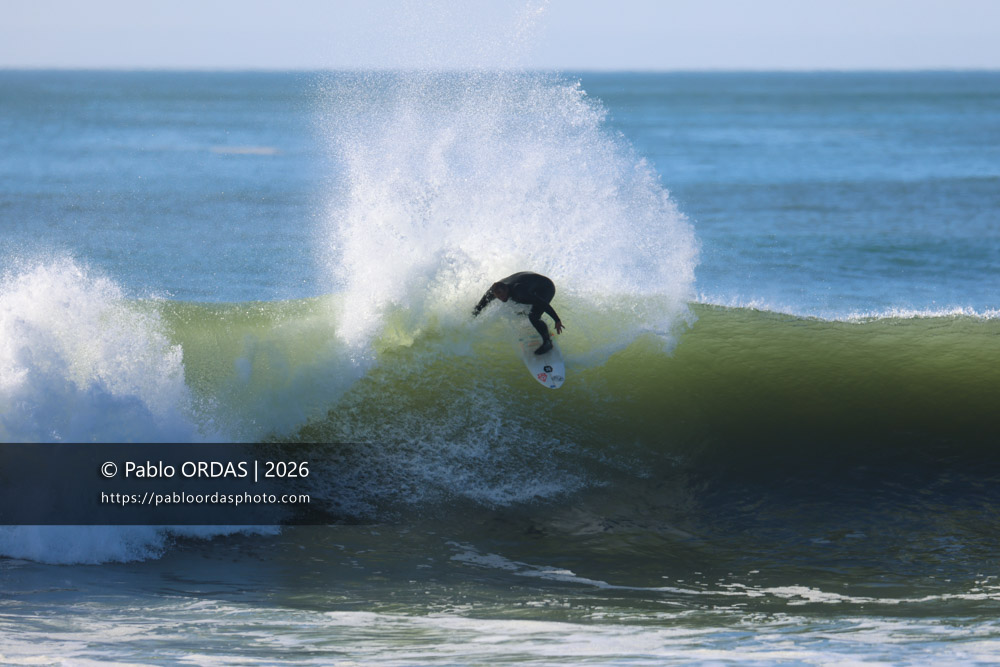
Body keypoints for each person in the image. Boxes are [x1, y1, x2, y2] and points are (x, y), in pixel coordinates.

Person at [472, 271, 565, 354]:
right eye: (498, 297)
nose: (501, 299)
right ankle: (533, 317)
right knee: (518, 304)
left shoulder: (519, 291)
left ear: (506, 289)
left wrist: (557, 320)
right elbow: (481, 304)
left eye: (502, 295)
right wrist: (473, 315)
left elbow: (542, 303)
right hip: (530, 282)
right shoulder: (494, 290)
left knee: (533, 316)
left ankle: (547, 342)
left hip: (546, 287)